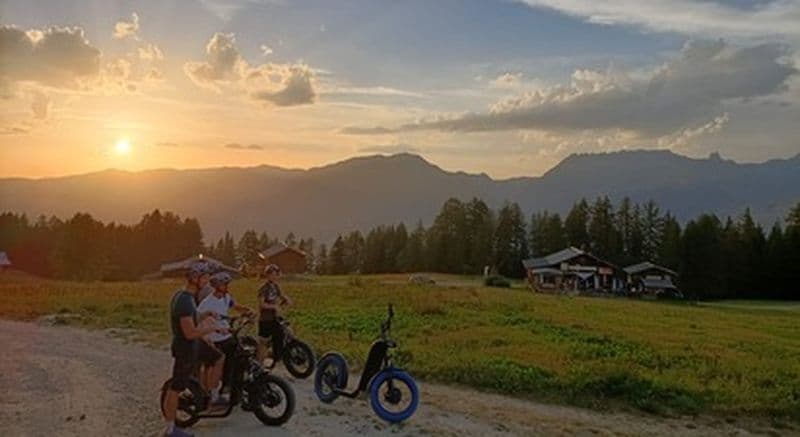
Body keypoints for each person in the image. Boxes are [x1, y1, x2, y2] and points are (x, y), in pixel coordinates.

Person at [162, 261, 227, 437]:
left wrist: (205, 315)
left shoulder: (188, 297)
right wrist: (212, 329)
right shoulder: (184, 300)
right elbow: (189, 332)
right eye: (204, 277)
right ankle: (170, 429)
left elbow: (192, 318)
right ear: (194, 278)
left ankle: (212, 395)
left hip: (194, 344)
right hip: (185, 348)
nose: (207, 281)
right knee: (177, 387)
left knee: (217, 357)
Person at [197, 272, 254, 394]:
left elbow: (236, 306)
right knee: (218, 363)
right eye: (224, 284)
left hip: (227, 335)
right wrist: (209, 337)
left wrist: (248, 310)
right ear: (217, 286)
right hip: (215, 339)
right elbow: (199, 322)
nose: (227, 286)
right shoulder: (206, 304)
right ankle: (212, 391)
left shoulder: (226, 297)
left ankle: (232, 385)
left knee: (239, 358)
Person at [257, 264, 293, 364]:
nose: (275, 276)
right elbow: (261, 304)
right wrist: (273, 306)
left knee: (280, 336)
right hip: (265, 319)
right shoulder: (264, 288)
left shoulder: (276, 286)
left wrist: (287, 299)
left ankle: (277, 357)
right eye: (272, 274)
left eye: (276, 274)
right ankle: (258, 364)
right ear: (267, 275)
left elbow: (281, 295)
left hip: (275, 317)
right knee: (263, 343)